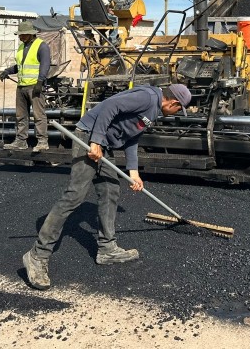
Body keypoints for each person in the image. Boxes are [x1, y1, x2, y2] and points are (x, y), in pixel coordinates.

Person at [22, 83, 192, 290]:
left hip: (104, 145)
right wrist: (96, 141)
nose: (175, 113)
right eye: (177, 109)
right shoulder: (147, 98)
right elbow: (111, 106)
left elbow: (132, 136)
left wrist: (134, 172)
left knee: (111, 190)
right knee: (75, 196)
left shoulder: (154, 109)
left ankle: (107, 248)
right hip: (88, 137)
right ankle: (37, 256)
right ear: (173, 102)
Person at [0, 21, 51, 152]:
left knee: (39, 115)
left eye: (22, 35)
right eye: (19, 35)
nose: (20, 37)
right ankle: (21, 141)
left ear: (30, 34)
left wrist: (40, 82)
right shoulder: (22, 47)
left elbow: (45, 65)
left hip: (35, 86)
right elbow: (20, 66)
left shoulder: (42, 46)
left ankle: (42, 142)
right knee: (21, 116)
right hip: (21, 86)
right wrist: (8, 71)